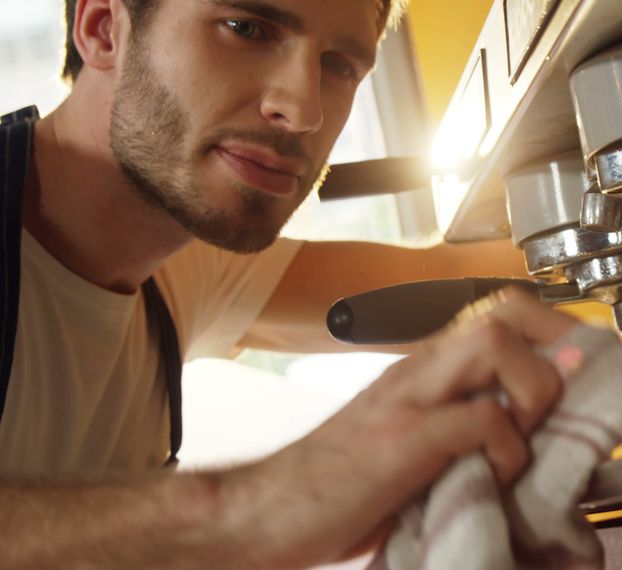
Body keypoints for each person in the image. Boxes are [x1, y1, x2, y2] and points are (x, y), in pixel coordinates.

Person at [0, 0, 580, 566]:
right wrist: (251, 507)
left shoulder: (187, 268)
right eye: (245, 28)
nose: (303, 110)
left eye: (339, 66)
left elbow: (469, 284)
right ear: (103, 29)